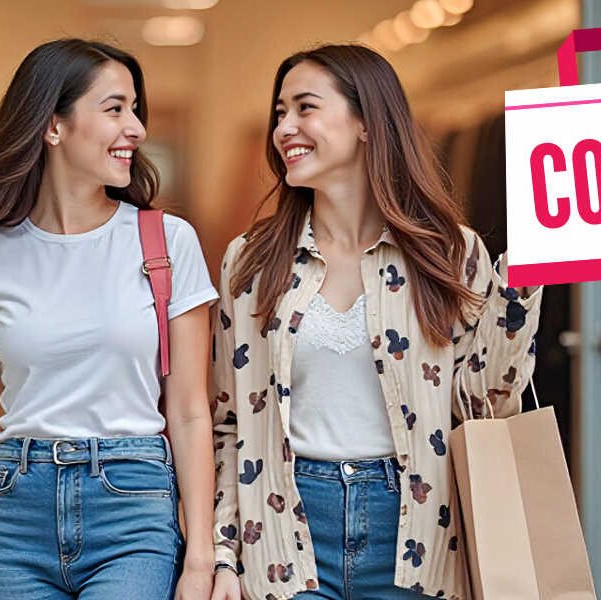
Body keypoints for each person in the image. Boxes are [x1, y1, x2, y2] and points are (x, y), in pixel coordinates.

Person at [208, 44, 542, 600]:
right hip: (282, 534)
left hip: (419, 531)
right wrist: (223, 553)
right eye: (279, 112)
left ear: (366, 123)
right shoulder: (250, 261)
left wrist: (524, 286)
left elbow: (487, 402)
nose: (284, 127)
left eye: (305, 108)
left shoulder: (449, 253)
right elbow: (229, 422)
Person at [0, 38, 219, 600]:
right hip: (14, 515)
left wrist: (200, 558)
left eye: (135, 108)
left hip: (133, 510)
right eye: (115, 108)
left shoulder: (168, 242)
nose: (137, 128)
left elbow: (192, 411)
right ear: (54, 126)